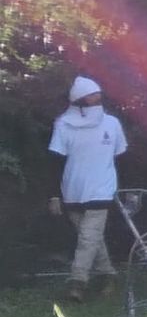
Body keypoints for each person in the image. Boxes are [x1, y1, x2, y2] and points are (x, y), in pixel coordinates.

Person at [47, 76, 128, 301]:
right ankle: (108, 275)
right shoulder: (63, 124)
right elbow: (55, 161)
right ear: (80, 99)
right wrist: (54, 195)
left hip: (101, 188)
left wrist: (124, 188)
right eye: (92, 94)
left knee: (87, 238)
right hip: (72, 190)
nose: (97, 97)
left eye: (98, 93)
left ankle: (77, 282)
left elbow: (121, 157)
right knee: (91, 239)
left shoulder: (111, 123)